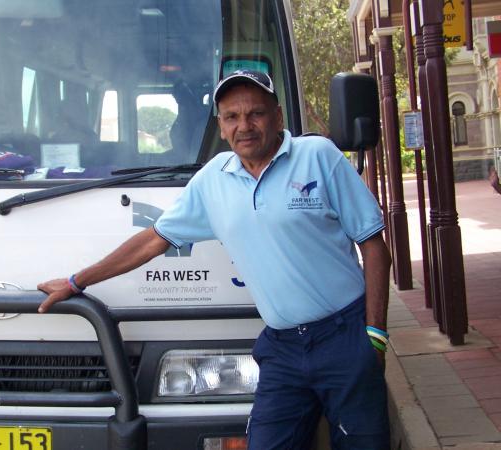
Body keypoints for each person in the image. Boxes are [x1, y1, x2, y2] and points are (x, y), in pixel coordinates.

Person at [38, 69, 392, 450]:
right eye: (232, 117)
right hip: (283, 349)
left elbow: (374, 246)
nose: (245, 126)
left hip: (344, 335)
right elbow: (152, 240)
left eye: (255, 113)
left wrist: (374, 336)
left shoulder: (319, 156)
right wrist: (77, 282)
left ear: (278, 116)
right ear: (221, 127)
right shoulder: (212, 180)